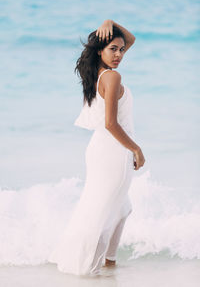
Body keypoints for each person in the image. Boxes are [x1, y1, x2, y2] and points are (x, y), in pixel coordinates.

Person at [48, 19, 145, 276]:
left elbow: (131, 39)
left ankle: (109, 263)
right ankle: (87, 268)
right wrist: (136, 149)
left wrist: (110, 22)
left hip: (101, 149)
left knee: (121, 208)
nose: (119, 55)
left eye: (121, 50)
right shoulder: (112, 77)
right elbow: (111, 123)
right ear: (100, 50)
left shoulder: (97, 73)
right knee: (102, 211)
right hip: (114, 151)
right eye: (113, 49)